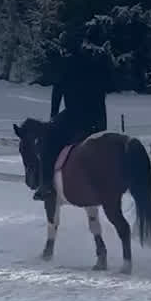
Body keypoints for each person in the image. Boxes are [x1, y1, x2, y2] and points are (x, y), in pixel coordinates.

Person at [33, 43, 110, 200]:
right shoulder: (94, 66)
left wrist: (53, 117)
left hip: (73, 116)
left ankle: (46, 184)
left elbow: (57, 93)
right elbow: (101, 97)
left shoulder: (66, 66)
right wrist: (102, 126)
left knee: (49, 144)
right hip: (94, 118)